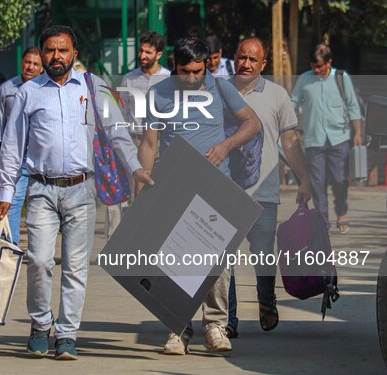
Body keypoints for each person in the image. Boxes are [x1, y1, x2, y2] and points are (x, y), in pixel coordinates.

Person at [0, 25, 153, 360]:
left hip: (82, 190)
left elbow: (118, 133)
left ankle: (66, 333)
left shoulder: (93, 88)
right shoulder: (29, 93)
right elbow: (11, 147)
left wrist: (136, 168)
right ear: (41, 53)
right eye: (50, 50)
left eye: (62, 50)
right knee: (38, 260)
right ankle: (40, 324)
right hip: (41, 189)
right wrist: (6, 194)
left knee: (76, 266)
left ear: (74, 54)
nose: (56, 56)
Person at [137, 37, 261, 355]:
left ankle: (215, 326)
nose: (192, 77)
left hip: (216, 186)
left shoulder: (220, 88)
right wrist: (139, 193)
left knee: (217, 262)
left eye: (198, 70)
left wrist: (226, 145)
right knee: (175, 260)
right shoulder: (158, 94)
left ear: (207, 64)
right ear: (173, 66)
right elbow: (150, 144)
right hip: (174, 186)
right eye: (184, 71)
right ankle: (177, 330)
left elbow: (252, 123)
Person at [225, 38, 312, 338]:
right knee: (224, 258)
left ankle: (265, 300)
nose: (245, 64)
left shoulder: (277, 95)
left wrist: (304, 178)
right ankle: (228, 319)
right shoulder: (219, 92)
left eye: (252, 59)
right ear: (233, 58)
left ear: (263, 64)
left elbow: (290, 140)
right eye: (241, 57)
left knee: (262, 255)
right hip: (225, 192)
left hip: (263, 193)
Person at [106, 31, 171, 240]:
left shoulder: (169, 78)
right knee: (135, 193)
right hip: (134, 139)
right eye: (141, 50)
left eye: (148, 52)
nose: (142, 55)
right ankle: (129, 240)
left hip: (161, 140)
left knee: (161, 192)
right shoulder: (130, 78)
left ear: (158, 54)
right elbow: (123, 111)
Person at [291, 44, 362, 234]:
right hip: (314, 141)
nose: (316, 70)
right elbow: (292, 103)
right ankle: (322, 224)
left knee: (340, 180)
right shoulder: (305, 79)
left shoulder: (341, 78)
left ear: (329, 62)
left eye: (320, 66)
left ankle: (341, 210)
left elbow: (353, 106)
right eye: (314, 66)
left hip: (339, 138)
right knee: (317, 184)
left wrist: (357, 133)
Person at [0, 47, 44, 243]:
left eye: (35, 64)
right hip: (14, 158)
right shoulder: (6, 89)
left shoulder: (47, 89)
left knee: (41, 208)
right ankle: (11, 249)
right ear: (21, 62)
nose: (30, 67)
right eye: (28, 62)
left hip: (40, 160)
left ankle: (39, 250)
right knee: (11, 204)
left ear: (42, 67)